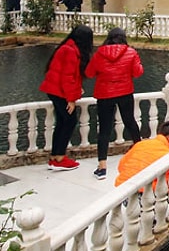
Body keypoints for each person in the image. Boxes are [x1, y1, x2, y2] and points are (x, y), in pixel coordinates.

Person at [86, 27, 144, 179]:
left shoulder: (100, 53)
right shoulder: (131, 52)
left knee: (104, 129)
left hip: (104, 94)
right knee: (130, 122)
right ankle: (141, 153)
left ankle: (102, 166)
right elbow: (138, 73)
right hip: (125, 92)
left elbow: (89, 73)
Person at [38, 25, 93, 170]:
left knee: (62, 122)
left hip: (54, 90)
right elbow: (67, 78)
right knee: (69, 121)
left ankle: (55, 156)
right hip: (59, 92)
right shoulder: (70, 51)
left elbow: (71, 76)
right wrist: (71, 99)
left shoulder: (68, 47)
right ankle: (59, 158)